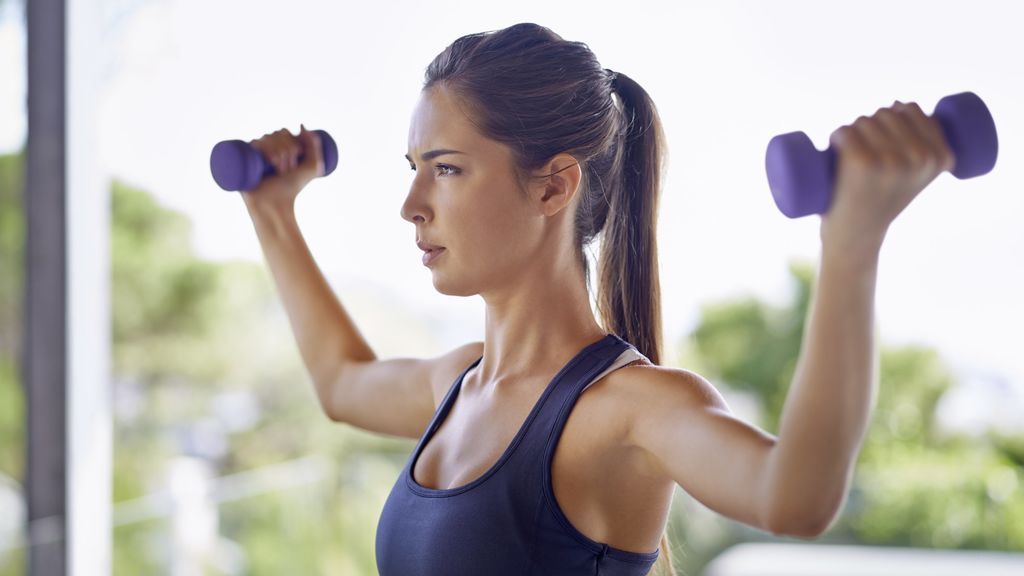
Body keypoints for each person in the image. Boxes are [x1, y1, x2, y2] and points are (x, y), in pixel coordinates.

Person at [240, 22, 954, 576]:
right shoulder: (454, 384)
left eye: (447, 169)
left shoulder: (632, 409)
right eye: (413, 169)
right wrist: (272, 212)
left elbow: (794, 496)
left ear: (554, 185)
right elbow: (339, 383)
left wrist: (852, 244)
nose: (411, 205)